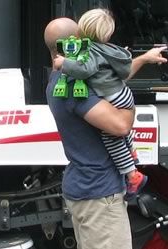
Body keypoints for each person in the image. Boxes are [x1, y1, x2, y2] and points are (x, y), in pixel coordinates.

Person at [40, 17, 167, 249]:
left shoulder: (64, 79)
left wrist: (141, 59)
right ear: (73, 46)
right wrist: (130, 108)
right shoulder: (72, 88)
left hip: (84, 185)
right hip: (96, 189)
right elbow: (119, 125)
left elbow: (107, 81)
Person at [53, 9, 154, 201]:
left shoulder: (89, 51)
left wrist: (64, 63)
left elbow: (85, 70)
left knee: (111, 137)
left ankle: (133, 175)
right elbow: (123, 72)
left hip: (113, 97)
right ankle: (132, 152)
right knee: (120, 134)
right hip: (123, 94)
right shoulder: (112, 49)